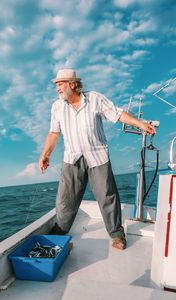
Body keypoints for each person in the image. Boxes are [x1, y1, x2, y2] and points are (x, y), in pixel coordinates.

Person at [39, 69, 156, 250]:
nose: (57, 88)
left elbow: (117, 114)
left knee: (107, 196)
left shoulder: (94, 98)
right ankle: (60, 232)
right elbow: (54, 133)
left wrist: (140, 124)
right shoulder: (57, 106)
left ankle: (117, 235)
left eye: (60, 84)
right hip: (72, 158)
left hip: (98, 156)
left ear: (72, 84)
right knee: (65, 199)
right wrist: (45, 154)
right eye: (56, 85)